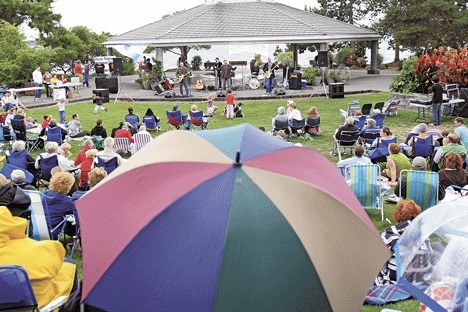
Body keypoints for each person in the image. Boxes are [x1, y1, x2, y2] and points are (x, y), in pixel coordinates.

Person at [0, 207, 78, 309]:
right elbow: (55, 261)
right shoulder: (39, 250)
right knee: (68, 265)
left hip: (11, 303)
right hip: (39, 305)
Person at [374, 200, 422, 285]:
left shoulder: (389, 235)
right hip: (418, 277)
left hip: (396, 277)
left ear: (397, 215)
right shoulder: (422, 233)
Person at [42, 172, 76, 238]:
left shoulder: (43, 195)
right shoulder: (67, 202)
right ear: (68, 187)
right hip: (51, 232)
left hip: (36, 229)